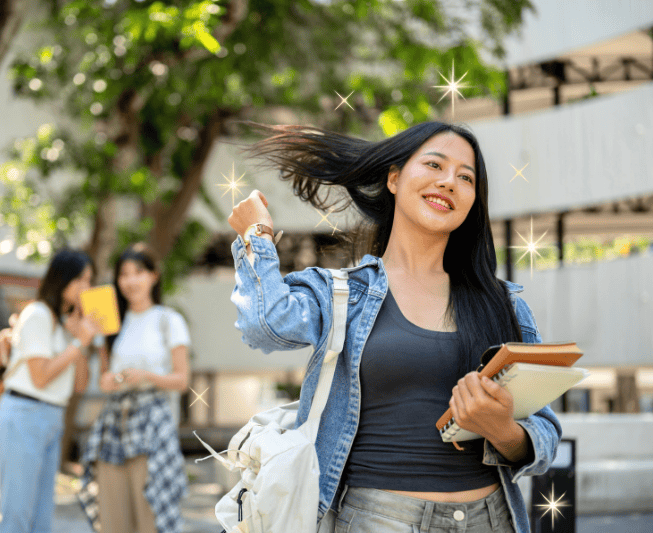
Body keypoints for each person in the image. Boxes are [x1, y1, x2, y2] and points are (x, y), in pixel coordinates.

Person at [227, 122, 562, 533]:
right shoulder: (342, 294)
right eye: (435, 165)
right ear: (394, 177)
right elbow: (265, 326)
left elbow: (544, 434)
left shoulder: (503, 305)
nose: (449, 182)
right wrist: (255, 236)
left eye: (465, 177)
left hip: (492, 520)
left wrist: (502, 430)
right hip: (378, 520)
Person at [79, 243, 191, 533]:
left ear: (153, 276)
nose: (130, 281)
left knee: (151, 518)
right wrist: (113, 381)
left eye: (138, 273)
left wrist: (146, 376)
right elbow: (105, 381)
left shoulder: (169, 320)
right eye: (124, 274)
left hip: (153, 428)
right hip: (114, 428)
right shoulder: (111, 324)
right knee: (113, 520)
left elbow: (182, 380)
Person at [0, 248, 100, 533]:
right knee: (17, 518)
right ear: (62, 280)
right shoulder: (37, 314)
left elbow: (80, 384)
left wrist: (81, 341)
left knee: (41, 520)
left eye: (89, 281)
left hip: (50, 419)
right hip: (24, 415)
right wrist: (79, 342)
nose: (86, 288)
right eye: (80, 280)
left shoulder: (65, 325)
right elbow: (40, 377)